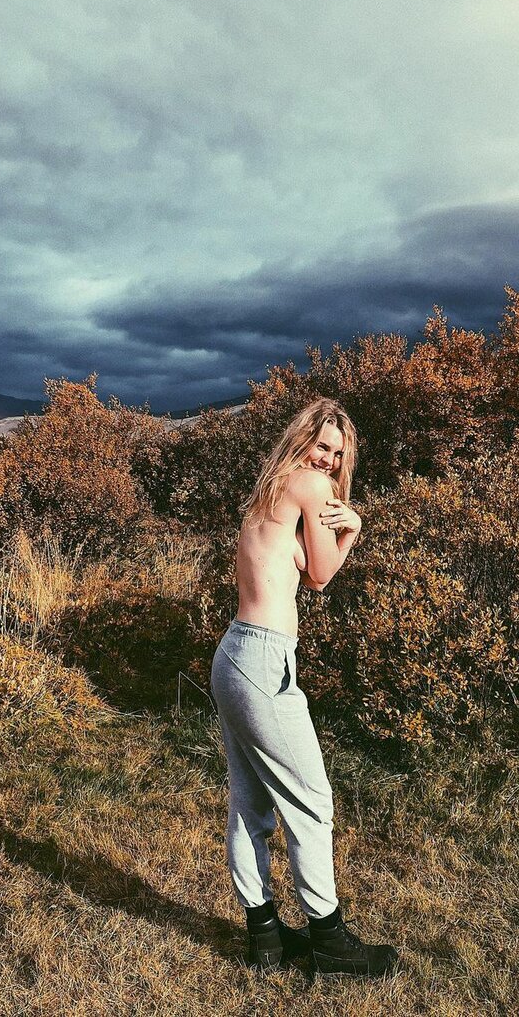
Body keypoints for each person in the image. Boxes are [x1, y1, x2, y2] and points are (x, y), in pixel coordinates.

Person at [209, 398, 400, 978]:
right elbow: (322, 574)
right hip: (264, 660)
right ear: (303, 440)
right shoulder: (312, 487)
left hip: (235, 653)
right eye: (323, 446)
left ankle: (265, 937)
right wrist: (354, 530)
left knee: (249, 803)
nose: (329, 460)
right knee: (312, 803)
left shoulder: (270, 490)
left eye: (338, 453)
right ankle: (329, 939)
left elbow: (304, 573)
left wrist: (338, 536)